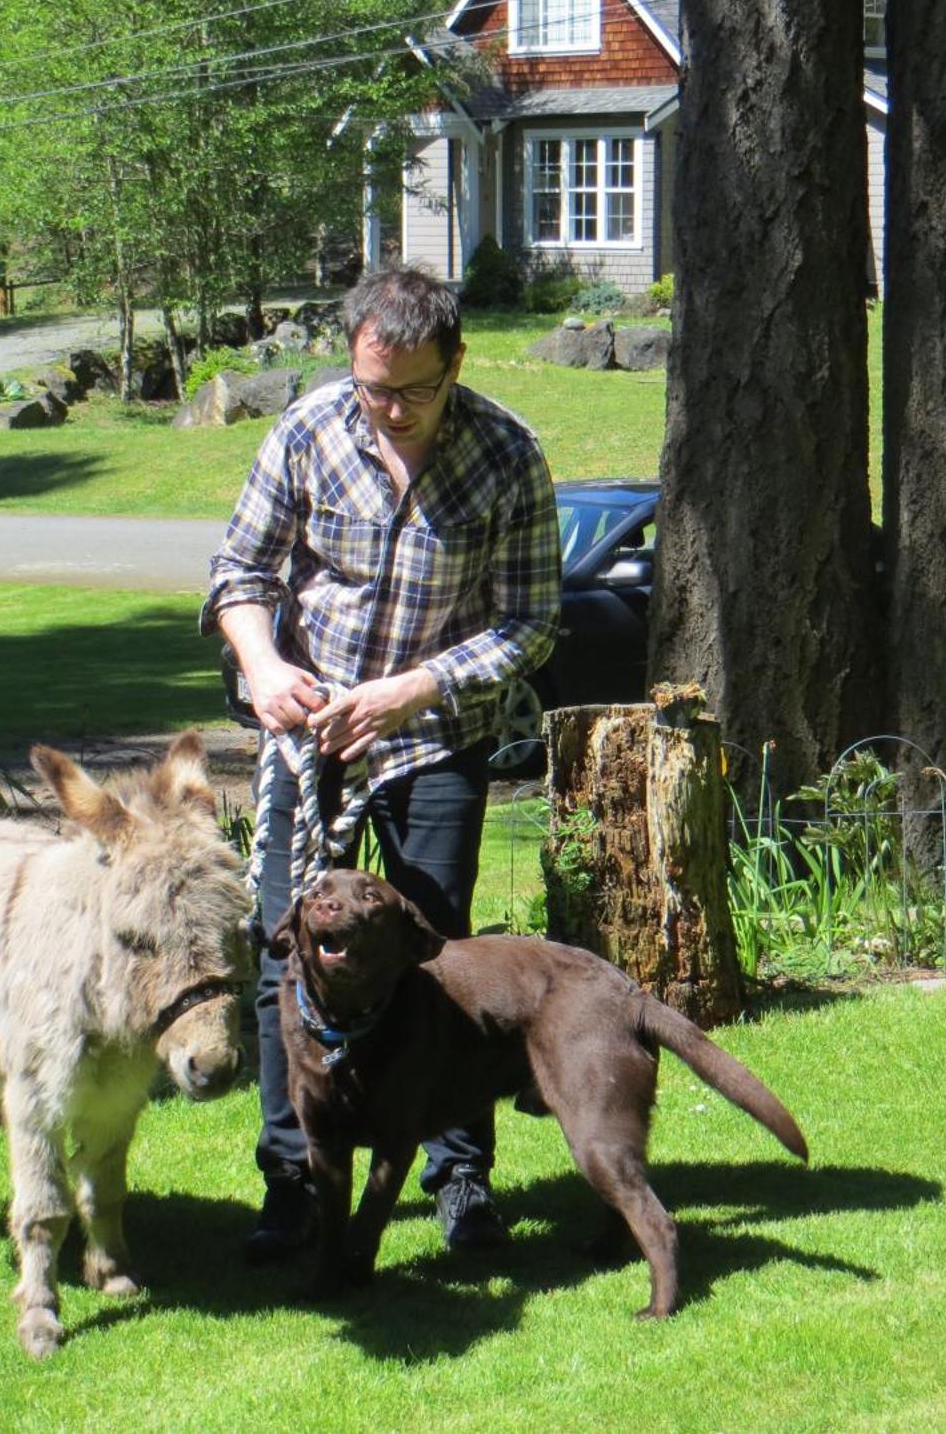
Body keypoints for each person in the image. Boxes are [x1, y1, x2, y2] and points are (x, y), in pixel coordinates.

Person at [202, 264, 562, 1264]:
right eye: (372, 388)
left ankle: (457, 1177)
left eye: (410, 390)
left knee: (434, 956)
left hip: (431, 738)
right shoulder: (308, 432)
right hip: (307, 735)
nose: (388, 408)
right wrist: (265, 664)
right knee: (292, 956)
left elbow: (530, 624)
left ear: (455, 364)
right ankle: (293, 1184)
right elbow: (239, 573)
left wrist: (413, 688)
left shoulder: (504, 456)